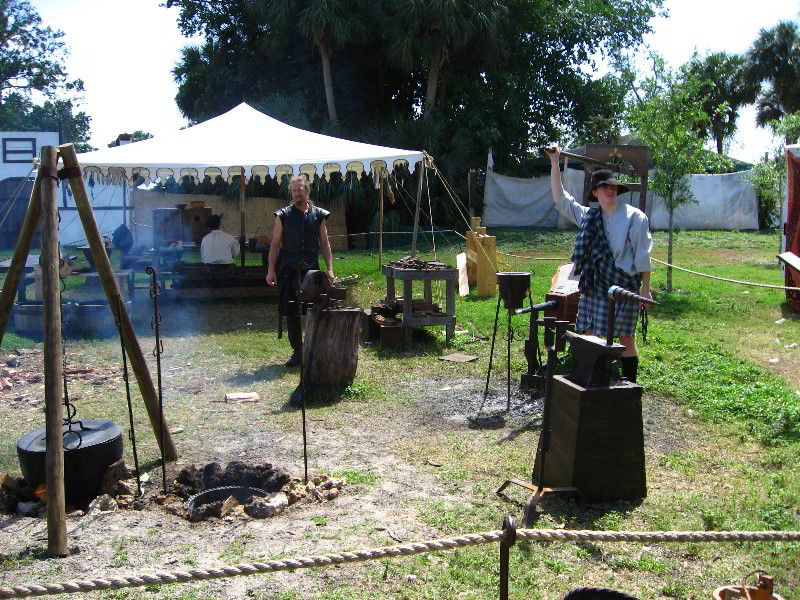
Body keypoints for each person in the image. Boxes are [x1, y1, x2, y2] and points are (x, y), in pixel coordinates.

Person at [546, 145, 653, 383]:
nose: (610, 190)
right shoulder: (589, 217)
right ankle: (595, 382)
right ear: (595, 192)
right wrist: (555, 163)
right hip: (595, 287)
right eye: (604, 187)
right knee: (589, 335)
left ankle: (630, 386)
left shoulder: (636, 217)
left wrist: (645, 289)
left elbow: (643, 256)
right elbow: (561, 200)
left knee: (626, 339)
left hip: (624, 288)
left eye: (613, 186)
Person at [266, 175, 335, 367]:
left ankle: (315, 349)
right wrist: (271, 270)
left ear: (308, 190)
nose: (297, 193)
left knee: (316, 310)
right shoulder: (283, 215)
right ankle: (298, 352)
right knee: (292, 312)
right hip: (289, 269)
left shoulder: (319, 214)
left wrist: (329, 269)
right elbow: (274, 245)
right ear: (291, 192)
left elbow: (325, 243)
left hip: (312, 270)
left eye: (300, 189)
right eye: (294, 190)